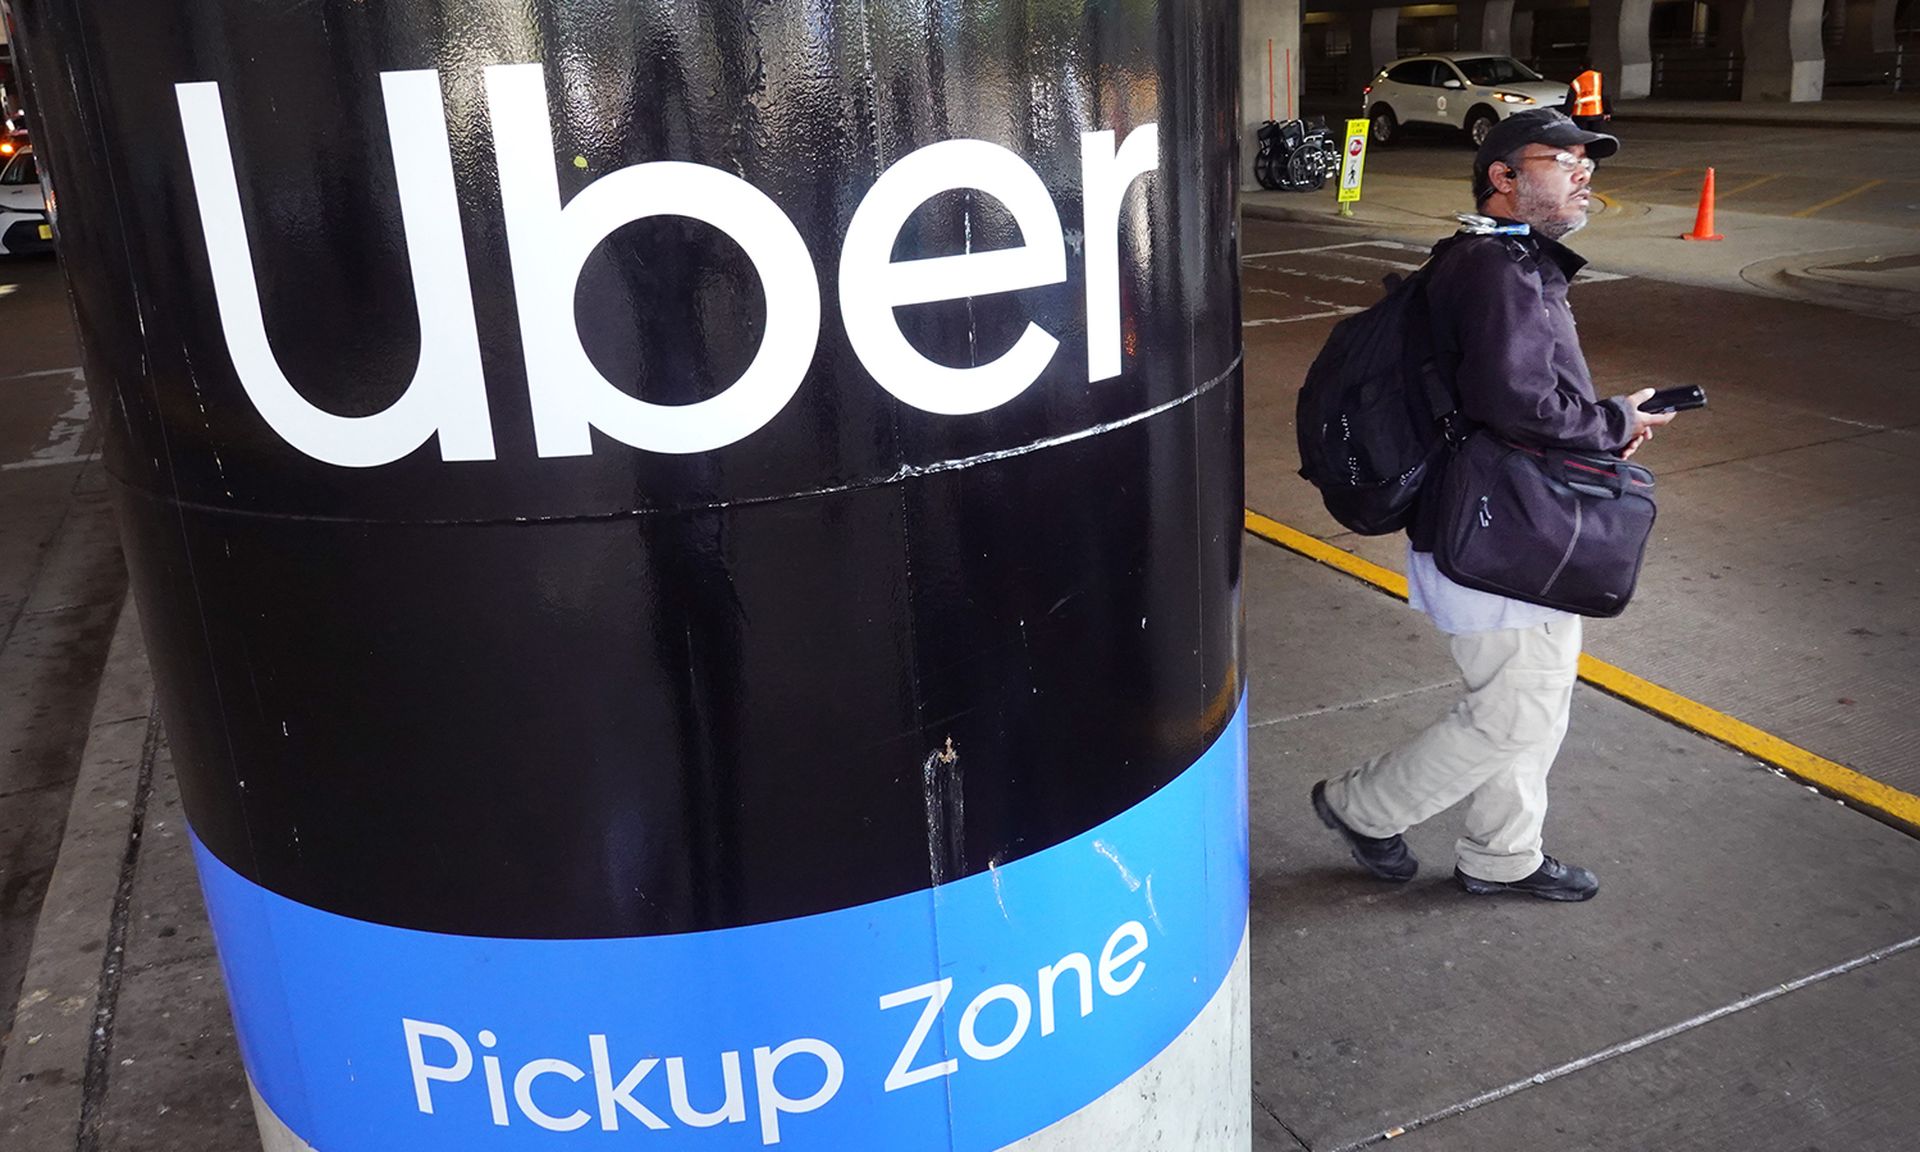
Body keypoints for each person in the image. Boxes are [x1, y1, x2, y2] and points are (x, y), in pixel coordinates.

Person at [1310, 109, 1679, 902]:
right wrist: (1614, 421)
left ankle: (1502, 854)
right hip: (1497, 528)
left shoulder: (1502, 258)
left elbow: (1524, 397)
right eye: (1562, 159)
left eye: (1589, 163)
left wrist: (1605, 428)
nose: (1582, 173)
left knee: (1531, 703)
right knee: (1515, 711)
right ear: (1504, 178)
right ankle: (1362, 806)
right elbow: (1517, 401)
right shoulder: (1493, 268)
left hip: (1514, 518)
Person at [1569, 67, 1606, 132]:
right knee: (1596, 137)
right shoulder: (1599, 77)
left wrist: (1568, 113)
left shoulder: (1576, 81)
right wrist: (1607, 111)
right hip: (1596, 113)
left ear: (1580, 67)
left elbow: (1571, 99)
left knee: (1582, 138)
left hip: (1580, 115)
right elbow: (1605, 95)